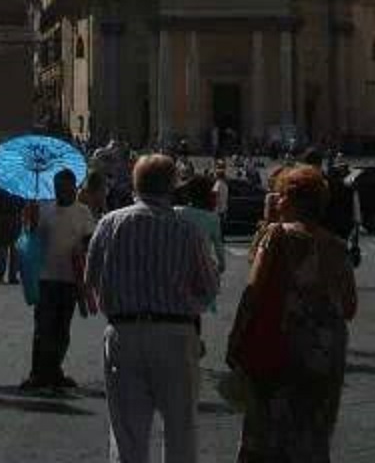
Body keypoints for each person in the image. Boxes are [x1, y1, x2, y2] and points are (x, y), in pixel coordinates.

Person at [83, 152, 219, 463]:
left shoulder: (109, 223)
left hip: (123, 332)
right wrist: (184, 308)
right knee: (180, 431)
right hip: (175, 333)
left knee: (128, 433)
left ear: (134, 182)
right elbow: (209, 288)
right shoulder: (187, 230)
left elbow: (90, 277)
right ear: (173, 184)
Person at [226, 165, 357, 463]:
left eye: (281, 195)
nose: (276, 200)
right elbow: (349, 308)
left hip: (281, 344)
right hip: (326, 351)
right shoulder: (337, 246)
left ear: (291, 200)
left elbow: (252, 292)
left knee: (265, 436)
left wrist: (236, 339)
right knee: (313, 434)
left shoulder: (276, 236)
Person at [20, 167, 94, 391]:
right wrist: (30, 220)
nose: (60, 191)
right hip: (46, 277)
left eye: (64, 187)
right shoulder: (44, 208)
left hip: (71, 278)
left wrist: (83, 247)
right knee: (43, 328)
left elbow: (90, 239)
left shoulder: (83, 212)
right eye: (57, 187)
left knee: (62, 329)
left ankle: (55, 370)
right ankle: (38, 373)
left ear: (74, 187)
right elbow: (32, 237)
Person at [177, 173, 226, 318]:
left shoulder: (177, 212)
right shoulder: (212, 218)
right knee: (196, 309)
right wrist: (221, 265)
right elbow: (218, 245)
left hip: (178, 265)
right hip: (201, 267)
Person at [0, 183, 23, 282]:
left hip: (1, 222)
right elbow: (22, 205)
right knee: (14, 251)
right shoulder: (19, 189)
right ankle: (12, 276)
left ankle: (0, 274)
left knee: (2, 249)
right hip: (15, 221)